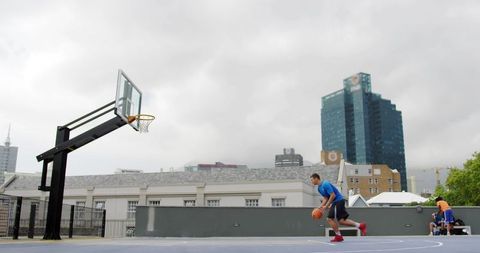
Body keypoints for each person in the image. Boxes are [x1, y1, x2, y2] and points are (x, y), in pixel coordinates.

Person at [310, 173, 367, 242]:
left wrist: (326, 207)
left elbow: (333, 195)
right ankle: (360, 225)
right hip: (336, 202)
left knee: (329, 218)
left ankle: (338, 236)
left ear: (316, 178)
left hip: (338, 201)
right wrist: (319, 207)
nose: (311, 181)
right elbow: (325, 198)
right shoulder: (319, 188)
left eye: (312, 180)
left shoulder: (325, 184)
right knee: (341, 221)